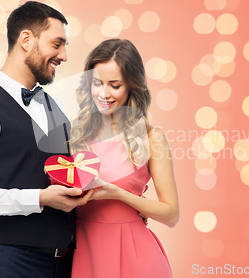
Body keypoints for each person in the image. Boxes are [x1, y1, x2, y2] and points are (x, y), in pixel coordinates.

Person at [0, 1, 93, 278]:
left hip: (68, 263)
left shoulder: (54, 105)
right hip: (14, 263)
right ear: (26, 39)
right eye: (57, 44)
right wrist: (39, 198)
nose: (63, 55)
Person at [69, 39, 179, 278]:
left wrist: (119, 194)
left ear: (132, 86)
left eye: (115, 85)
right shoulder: (74, 134)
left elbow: (171, 214)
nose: (103, 93)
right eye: (97, 83)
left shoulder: (152, 138)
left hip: (134, 256)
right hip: (81, 251)